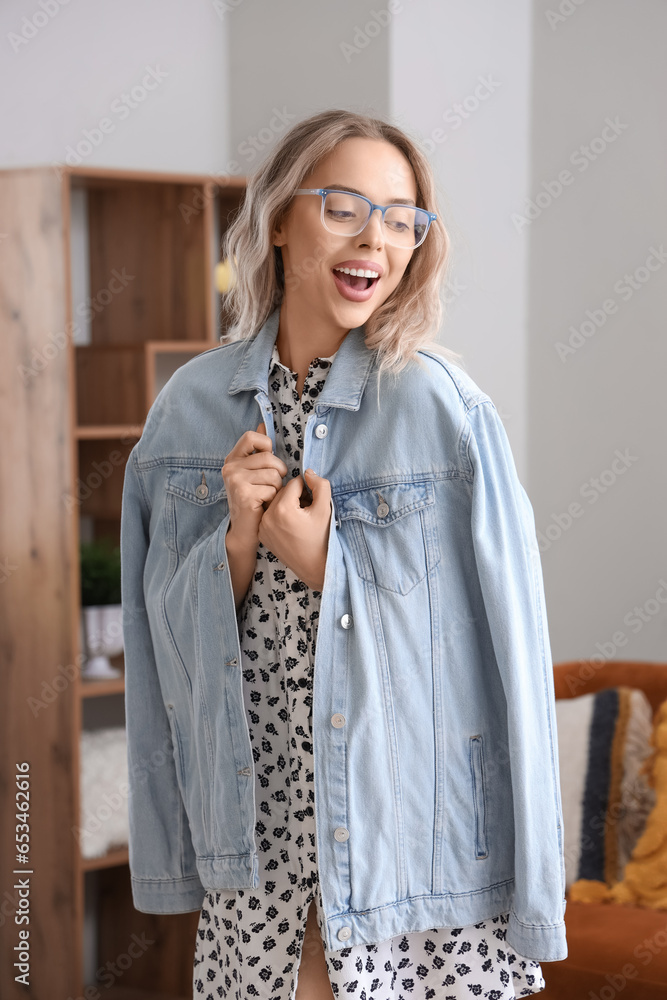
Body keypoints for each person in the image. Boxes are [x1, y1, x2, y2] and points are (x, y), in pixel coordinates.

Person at [120, 108, 567, 1000]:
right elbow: (158, 643)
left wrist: (332, 567)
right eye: (345, 207)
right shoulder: (187, 407)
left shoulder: (443, 408)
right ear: (281, 219)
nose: (378, 239)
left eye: (402, 219)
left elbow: (500, 651)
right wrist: (238, 543)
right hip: (259, 853)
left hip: (417, 856)